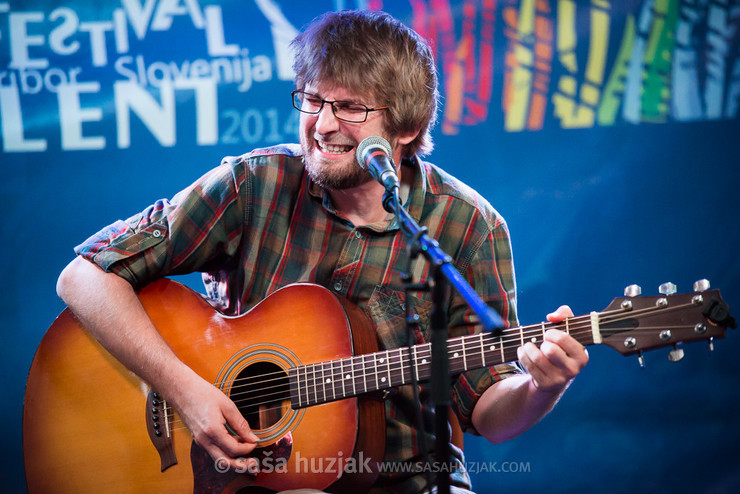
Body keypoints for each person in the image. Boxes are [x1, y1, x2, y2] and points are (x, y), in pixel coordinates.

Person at [56, 9, 588, 493]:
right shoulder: (253, 183)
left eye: (350, 108)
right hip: (246, 482)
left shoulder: (467, 225)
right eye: (313, 100)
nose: (323, 125)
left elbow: (491, 415)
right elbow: (84, 277)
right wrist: (185, 392)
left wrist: (542, 386)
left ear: (405, 126)